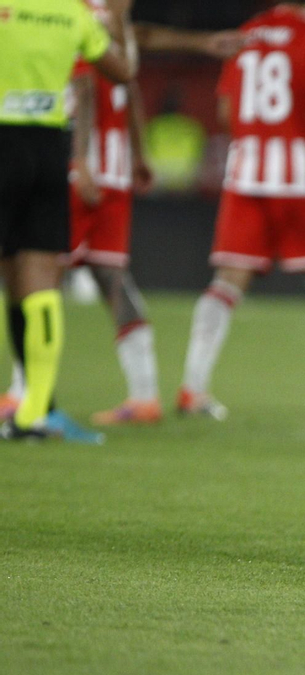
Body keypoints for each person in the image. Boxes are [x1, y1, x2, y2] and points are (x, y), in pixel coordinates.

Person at [176, 0, 305, 424]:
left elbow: (226, 110)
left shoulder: (248, 30)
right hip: (299, 179)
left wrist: (256, 145)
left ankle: (192, 388)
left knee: (228, 279)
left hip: (246, 174)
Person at [60, 5, 242, 427]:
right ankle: (143, 396)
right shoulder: (114, 24)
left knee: (39, 275)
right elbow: (135, 67)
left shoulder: (78, 15)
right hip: (115, 168)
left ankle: (23, 393)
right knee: (111, 275)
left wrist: (80, 161)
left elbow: (85, 85)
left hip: (79, 166)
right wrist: (139, 151)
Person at [0, 0, 135, 441]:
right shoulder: (73, 13)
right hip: (47, 150)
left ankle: (25, 401)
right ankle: (33, 413)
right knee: (39, 281)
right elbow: (122, 71)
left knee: (13, 278)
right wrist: (115, 28)